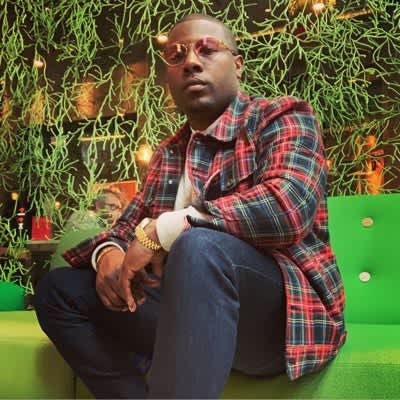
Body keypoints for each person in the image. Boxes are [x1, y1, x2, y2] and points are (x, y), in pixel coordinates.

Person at [34, 14, 346, 399]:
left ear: (237, 64)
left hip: (277, 326)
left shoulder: (280, 117)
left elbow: (287, 208)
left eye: (208, 49)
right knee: (59, 289)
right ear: (167, 77)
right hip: (187, 317)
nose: (191, 62)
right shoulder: (169, 153)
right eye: (176, 55)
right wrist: (109, 254)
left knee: (199, 245)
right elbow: (126, 228)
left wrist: (163, 229)